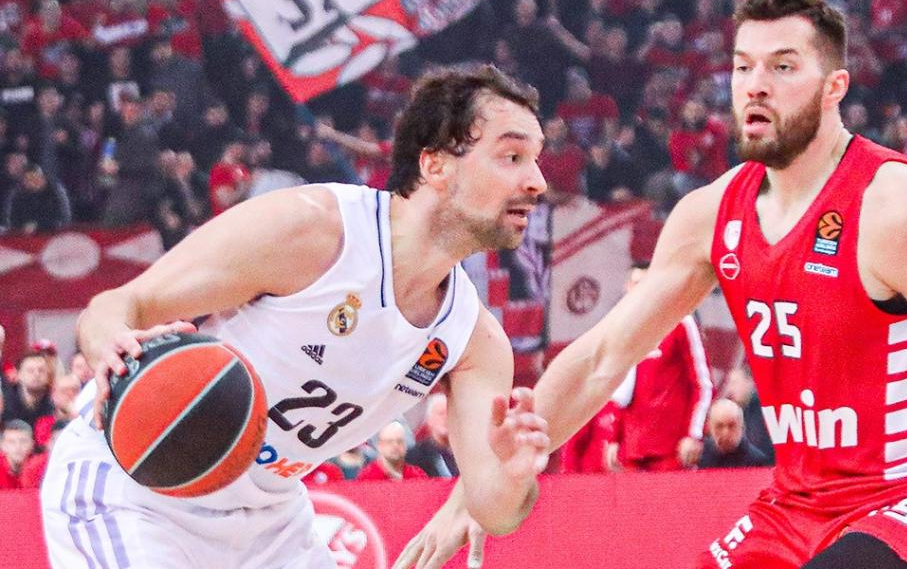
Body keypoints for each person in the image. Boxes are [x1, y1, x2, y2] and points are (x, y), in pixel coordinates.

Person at [397, 0, 907, 568]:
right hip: (798, 501)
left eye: (782, 67)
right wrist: (472, 494)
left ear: (835, 87)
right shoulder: (710, 216)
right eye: (743, 66)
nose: (755, 86)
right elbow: (601, 359)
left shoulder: (898, 210)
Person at [41, 64, 551, 569]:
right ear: (436, 165)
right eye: (511, 156)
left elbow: (493, 507)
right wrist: (110, 344)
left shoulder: (475, 340)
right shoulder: (314, 231)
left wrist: (512, 474)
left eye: (536, 159)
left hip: (267, 522)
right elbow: (115, 307)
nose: (537, 181)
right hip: (135, 488)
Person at [605, 262, 713, 472]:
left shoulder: (681, 322)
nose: (638, 290)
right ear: (626, 288)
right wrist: (613, 438)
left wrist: (694, 434)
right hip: (632, 451)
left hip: (672, 452)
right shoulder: (625, 332)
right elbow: (621, 389)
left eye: (644, 284)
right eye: (634, 284)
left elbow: (703, 384)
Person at [698, 398, 771, 469]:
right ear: (710, 428)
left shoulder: (756, 462)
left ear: (742, 427)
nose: (725, 433)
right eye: (719, 426)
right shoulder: (700, 457)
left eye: (732, 426)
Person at [406, 392, 459, 478]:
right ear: (429, 420)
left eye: (449, 414)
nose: (445, 418)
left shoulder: (466, 453)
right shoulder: (414, 457)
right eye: (441, 414)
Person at [357, 421, 429, 481]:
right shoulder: (367, 477)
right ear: (380, 446)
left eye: (399, 441)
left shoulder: (417, 475)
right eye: (389, 442)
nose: (395, 446)